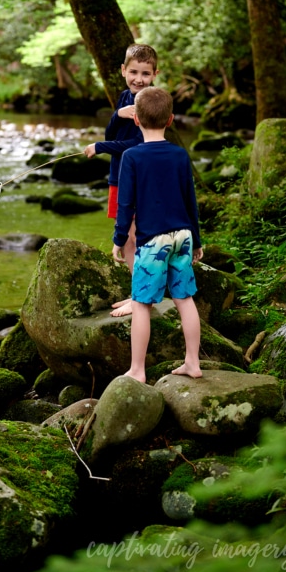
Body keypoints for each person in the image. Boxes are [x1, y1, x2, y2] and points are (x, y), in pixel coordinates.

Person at [112, 86, 203, 382]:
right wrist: (197, 240)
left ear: (135, 119)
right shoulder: (179, 155)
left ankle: (137, 370)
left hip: (153, 242)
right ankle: (192, 362)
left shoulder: (132, 156)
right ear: (171, 119)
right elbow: (191, 200)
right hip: (183, 236)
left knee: (141, 304)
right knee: (184, 299)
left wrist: (119, 238)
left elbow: (125, 204)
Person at [84, 43, 159, 317]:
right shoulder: (124, 96)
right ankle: (137, 292)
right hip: (118, 176)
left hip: (137, 178)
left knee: (135, 236)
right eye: (134, 72)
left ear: (155, 74)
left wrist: (100, 148)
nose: (139, 79)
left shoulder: (151, 102)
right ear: (123, 70)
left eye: (146, 74)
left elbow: (138, 143)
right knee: (127, 237)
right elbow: (111, 132)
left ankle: (143, 296)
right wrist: (118, 113)